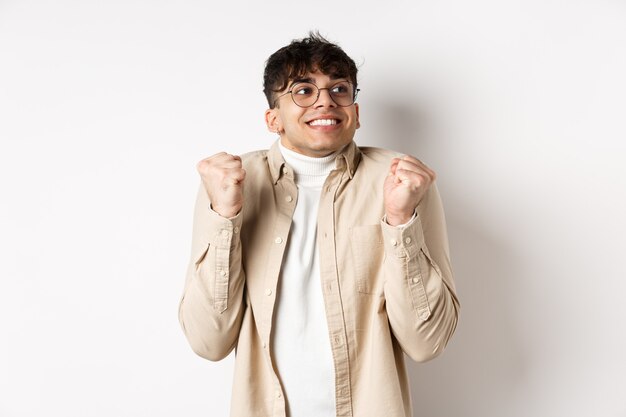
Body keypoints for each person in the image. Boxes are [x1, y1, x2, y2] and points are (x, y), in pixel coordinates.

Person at [178, 32, 459, 417]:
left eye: (339, 89)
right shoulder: (230, 183)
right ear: (272, 118)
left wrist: (399, 221)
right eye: (303, 90)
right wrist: (225, 217)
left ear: (356, 113)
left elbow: (427, 342)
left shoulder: (402, 183)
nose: (325, 100)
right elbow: (209, 341)